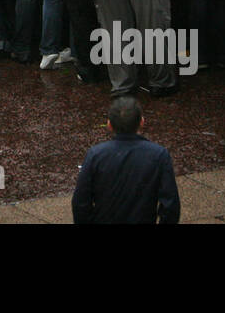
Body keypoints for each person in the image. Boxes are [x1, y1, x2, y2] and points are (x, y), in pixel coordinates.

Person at [72, 96, 180, 224]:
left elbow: (81, 202)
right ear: (141, 122)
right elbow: (170, 204)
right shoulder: (158, 155)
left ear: (109, 125)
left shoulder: (96, 155)